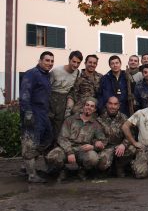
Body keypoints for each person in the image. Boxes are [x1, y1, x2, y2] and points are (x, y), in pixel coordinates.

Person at [46, 98, 107, 181]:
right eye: (87, 105)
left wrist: (93, 146)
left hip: (83, 150)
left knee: (93, 158)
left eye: (92, 106)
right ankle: (63, 170)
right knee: (52, 157)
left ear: (95, 110)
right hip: (67, 148)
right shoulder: (70, 120)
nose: (89, 107)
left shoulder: (96, 125)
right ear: (83, 106)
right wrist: (69, 152)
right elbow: (62, 138)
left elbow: (103, 141)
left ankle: (82, 171)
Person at [20, 51, 55, 183]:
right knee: (31, 142)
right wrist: (28, 112)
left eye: (52, 61)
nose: (50, 63)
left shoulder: (46, 76)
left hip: (43, 113)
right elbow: (25, 94)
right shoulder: (32, 73)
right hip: (32, 113)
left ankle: (26, 166)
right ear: (40, 61)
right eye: (47, 60)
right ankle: (32, 174)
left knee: (47, 138)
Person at [96, 97, 135, 177]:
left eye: (115, 104)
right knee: (101, 164)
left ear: (119, 106)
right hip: (106, 148)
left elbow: (131, 135)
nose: (112, 106)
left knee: (133, 149)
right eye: (110, 103)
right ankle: (109, 167)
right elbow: (95, 135)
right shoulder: (99, 119)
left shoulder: (124, 118)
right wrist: (97, 142)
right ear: (106, 105)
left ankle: (120, 166)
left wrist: (124, 144)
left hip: (120, 147)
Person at [49, 50, 83, 139]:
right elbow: (47, 88)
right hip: (52, 98)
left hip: (65, 100)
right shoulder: (56, 71)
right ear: (69, 60)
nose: (75, 65)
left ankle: (56, 147)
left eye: (78, 63)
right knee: (48, 123)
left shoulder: (77, 73)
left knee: (59, 125)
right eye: (74, 61)